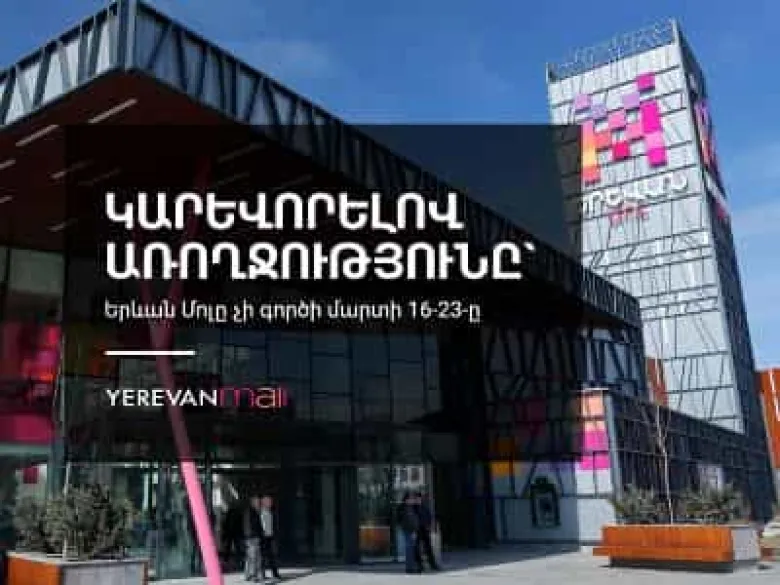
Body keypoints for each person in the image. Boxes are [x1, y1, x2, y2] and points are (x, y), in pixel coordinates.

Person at [415, 491, 441, 571]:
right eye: (417, 498)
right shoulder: (414, 508)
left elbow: (429, 516)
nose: (418, 500)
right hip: (417, 529)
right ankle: (420, 566)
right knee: (417, 548)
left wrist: (429, 526)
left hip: (424, 529)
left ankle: (432, 564)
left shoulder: (424, 507)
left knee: (428, 547)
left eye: (419, 498)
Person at [396, 492, 421, 574]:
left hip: (412, 530)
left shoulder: (413, 508)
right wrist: (413, 530)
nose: (413, 500)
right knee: (409, 549)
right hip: (408, 530)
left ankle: (412, 566)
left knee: (411, 549)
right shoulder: (404, 508)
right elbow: (407, 521)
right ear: (407, 500)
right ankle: (409, 567)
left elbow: (415, 519)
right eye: (411, 499)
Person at [259, 496, 281, 582]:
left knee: (271, 556)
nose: (271, 503)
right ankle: (263, 574)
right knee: (264, 557)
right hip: (264, 537)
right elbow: (261, 525)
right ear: (264, 503)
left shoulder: (270, 512)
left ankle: (274, 574)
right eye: (269, 502)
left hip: (270, 537)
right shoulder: (262, 512)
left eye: (271, 502)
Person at [243, 496, 263, 582]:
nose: (259, 503)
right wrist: (254, 535)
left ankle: (247, 575)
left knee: (250, 557)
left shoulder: (253, 511)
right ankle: (253, 575)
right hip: (252, 538)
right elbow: (250, 525)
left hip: (251, 537)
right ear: (253, 502)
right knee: (254, 557)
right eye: (257, 502)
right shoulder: (251, 512)